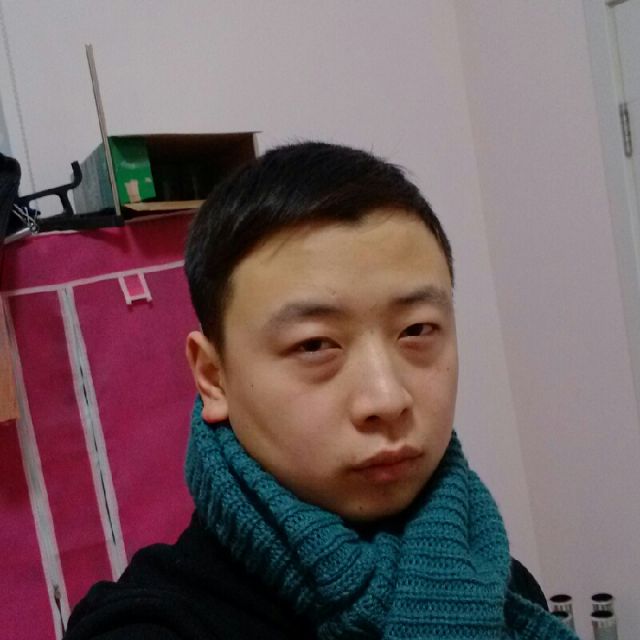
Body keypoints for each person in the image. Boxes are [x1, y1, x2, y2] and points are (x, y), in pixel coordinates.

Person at [64, 142, 576, 639]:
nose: (387, 399)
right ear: (213, 378)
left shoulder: (498, 586)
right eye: (314, 345)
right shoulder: (153, 625)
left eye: (417, 330)